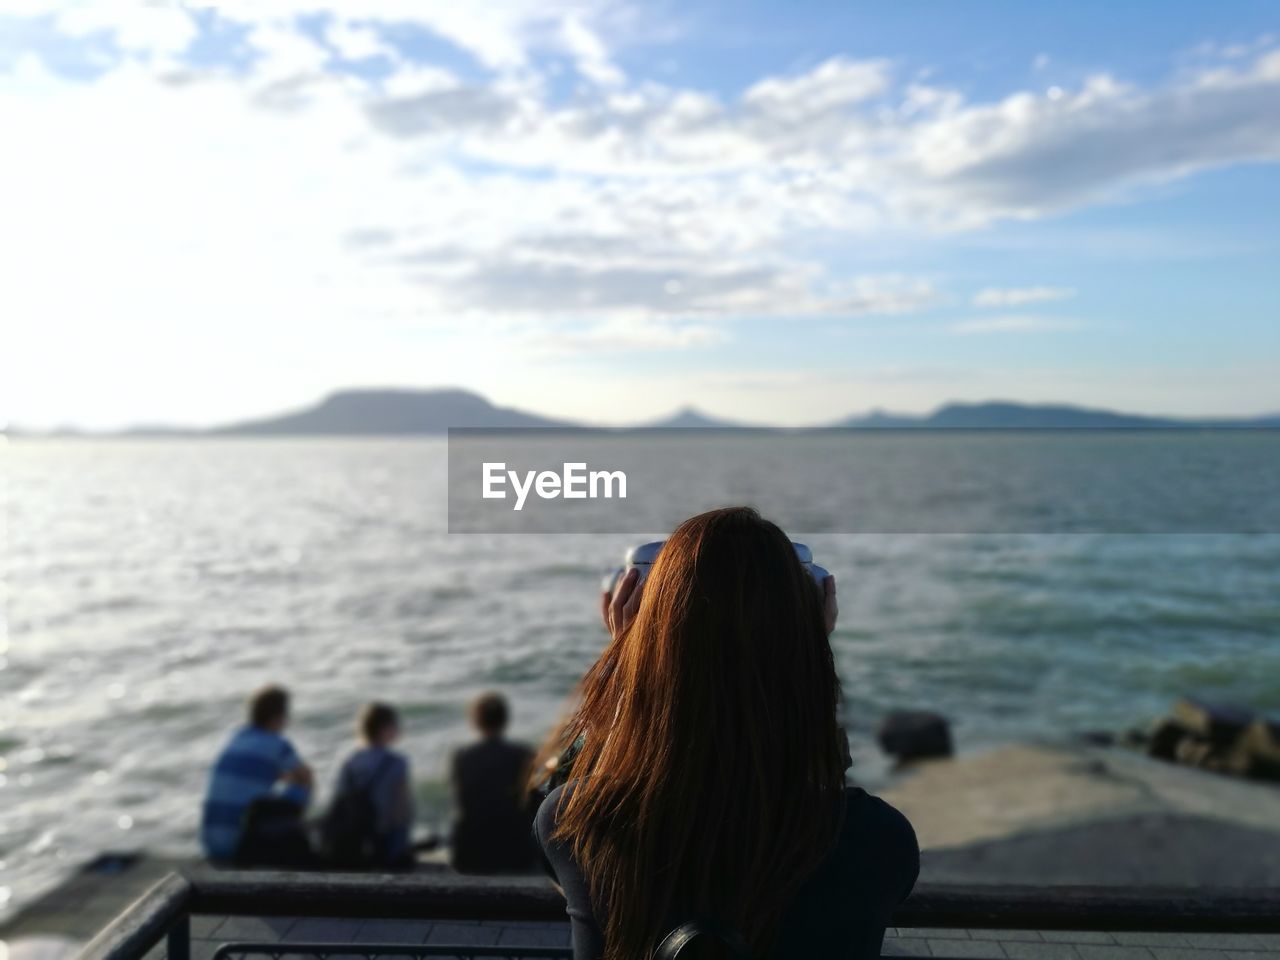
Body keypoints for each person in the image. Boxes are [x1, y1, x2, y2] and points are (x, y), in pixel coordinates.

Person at [534, 507, 919, 960]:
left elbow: (581, 789)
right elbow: (818, 778)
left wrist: (627, 659)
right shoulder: (876, 843)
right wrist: (806, 649)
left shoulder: (578, 827)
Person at [200, 685, 314, 865]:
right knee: (300, 790)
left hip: (212, 845)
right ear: (278, 716)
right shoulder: (277, 744)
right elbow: (305, 778)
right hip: (241, 847)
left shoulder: (237, 737)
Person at [449, 691, 537, 874]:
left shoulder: (462, 757)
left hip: (469, 851)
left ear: (475, 722)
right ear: (505, 721)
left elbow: (462, 799)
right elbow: (530, 800)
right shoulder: (523, 755)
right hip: (514, 850)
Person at [322, 702, 414, 870]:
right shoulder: (397, 762)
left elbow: (339, 797)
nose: (398, 730)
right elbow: (401, 810)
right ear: (384, 729)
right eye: (394, 725)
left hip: (355, 836)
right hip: (383, 837)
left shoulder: (350, 760)